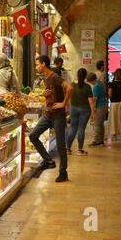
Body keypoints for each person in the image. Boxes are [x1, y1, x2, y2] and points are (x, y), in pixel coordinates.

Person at [29, 55, 73, 183]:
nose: (36, 67)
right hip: (48, 115)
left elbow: (70, 88)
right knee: (33, 135)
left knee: (60, 145)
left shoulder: (54, 76)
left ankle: (63, 172)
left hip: (58, 115)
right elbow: (52, 93)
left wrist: (63, 104)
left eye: (37, 64)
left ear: (43, 64)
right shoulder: (46, 78)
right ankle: (48, 160)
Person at [66, 68, 94, 155]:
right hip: (85, 110)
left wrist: (69, 107)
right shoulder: (87, 87)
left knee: (73, 129)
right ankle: (79, 150)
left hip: (73, 109)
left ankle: (68, 149)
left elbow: (69, 98)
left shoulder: (72, 85)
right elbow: (91, 102)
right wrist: (94, 113)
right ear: (85, 76)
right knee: (81, 129)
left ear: (77, 75)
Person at [87, 72, 107, 146]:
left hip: (100, 106)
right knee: (101, 124)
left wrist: (89, 102)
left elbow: (95, 99)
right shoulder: (100, 83)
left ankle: (96, 141)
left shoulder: (96, 86)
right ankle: (101, 140)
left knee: (97, 124)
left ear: (91, 80)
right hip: (104, 105)